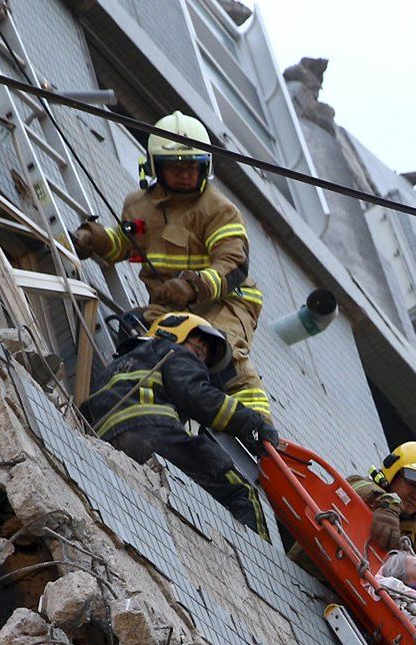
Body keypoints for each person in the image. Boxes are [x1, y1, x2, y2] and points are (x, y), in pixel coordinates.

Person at [71, 112, 273, 420]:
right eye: (174, 167)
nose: (183, 174)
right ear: (155, 167)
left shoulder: (218, 209)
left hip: (226, 301)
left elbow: (234, 262)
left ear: (204, 167)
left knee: (221, 348)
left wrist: (192, 286)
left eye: (190, 167)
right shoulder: (138, 205)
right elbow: (123, 243)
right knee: (138, 339)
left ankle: (261, 430)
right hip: (169, 307)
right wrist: (93, 238)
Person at [81, 312, 274, 531]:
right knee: (240, 490)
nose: (198, 361)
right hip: (153, 435)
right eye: (197, 350)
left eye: (202, 359)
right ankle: (251, 556)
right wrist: (253, 423)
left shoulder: (114, 366)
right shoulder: (171, 350)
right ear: (172, 333)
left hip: (108, 440)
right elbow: (196, 395)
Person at [358, 441, 416, 558]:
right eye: (413, 484)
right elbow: (356, 486)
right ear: (393, 473)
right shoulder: (361, 486)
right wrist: (386, 505)